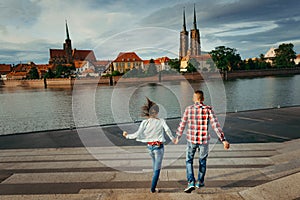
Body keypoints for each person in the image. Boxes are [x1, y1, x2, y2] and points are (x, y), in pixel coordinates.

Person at [174, 90, 230, 193]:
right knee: (202, 161)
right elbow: (216, 126)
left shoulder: (188, 109)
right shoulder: (208, 109)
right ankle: (199, 182)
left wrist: (178, 136)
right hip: (204, 140)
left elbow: (182, 124)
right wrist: (223, 140)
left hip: (191, 140)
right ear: (203, 99)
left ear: (194, 99)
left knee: (188, 161)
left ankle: (191, 182)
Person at [123, 97, 176, 193]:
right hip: (158, 147)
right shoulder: (161, 121)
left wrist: (127, 136)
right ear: (156, 112)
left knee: (154, 165)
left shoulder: (145, 122)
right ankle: (153, 189)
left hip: (149, 148)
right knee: (157, 169)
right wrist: (173, 139)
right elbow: (167, 130)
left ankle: (154, 183)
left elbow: (137, 134)